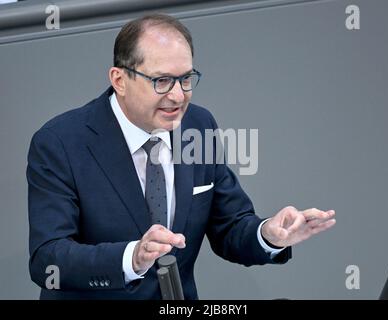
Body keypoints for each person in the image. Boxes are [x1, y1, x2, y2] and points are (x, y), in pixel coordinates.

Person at [26, 13, 336, 300]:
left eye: (186, 79)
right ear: (119, 80)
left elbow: (229, 226)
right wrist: (132, 258)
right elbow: (48, 258)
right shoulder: (60, 142)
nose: (178, 96)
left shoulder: (198, 125)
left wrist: (268, 234)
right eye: (161, 81)